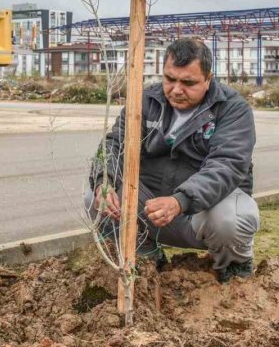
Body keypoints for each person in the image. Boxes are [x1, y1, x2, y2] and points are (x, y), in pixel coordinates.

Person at [87, 37, 260, 283]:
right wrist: (104, 179)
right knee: (97, 197)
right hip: (152, 210)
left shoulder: (232, 109)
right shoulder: (146, 101)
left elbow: (227, 165)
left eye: (188, 82)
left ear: (208, 79)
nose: (176, 90)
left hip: (201, 214)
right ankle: (147, 260)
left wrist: (180, 201)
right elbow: (114, 143)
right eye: (170, 79)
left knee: (231, 220)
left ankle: (232, 269)